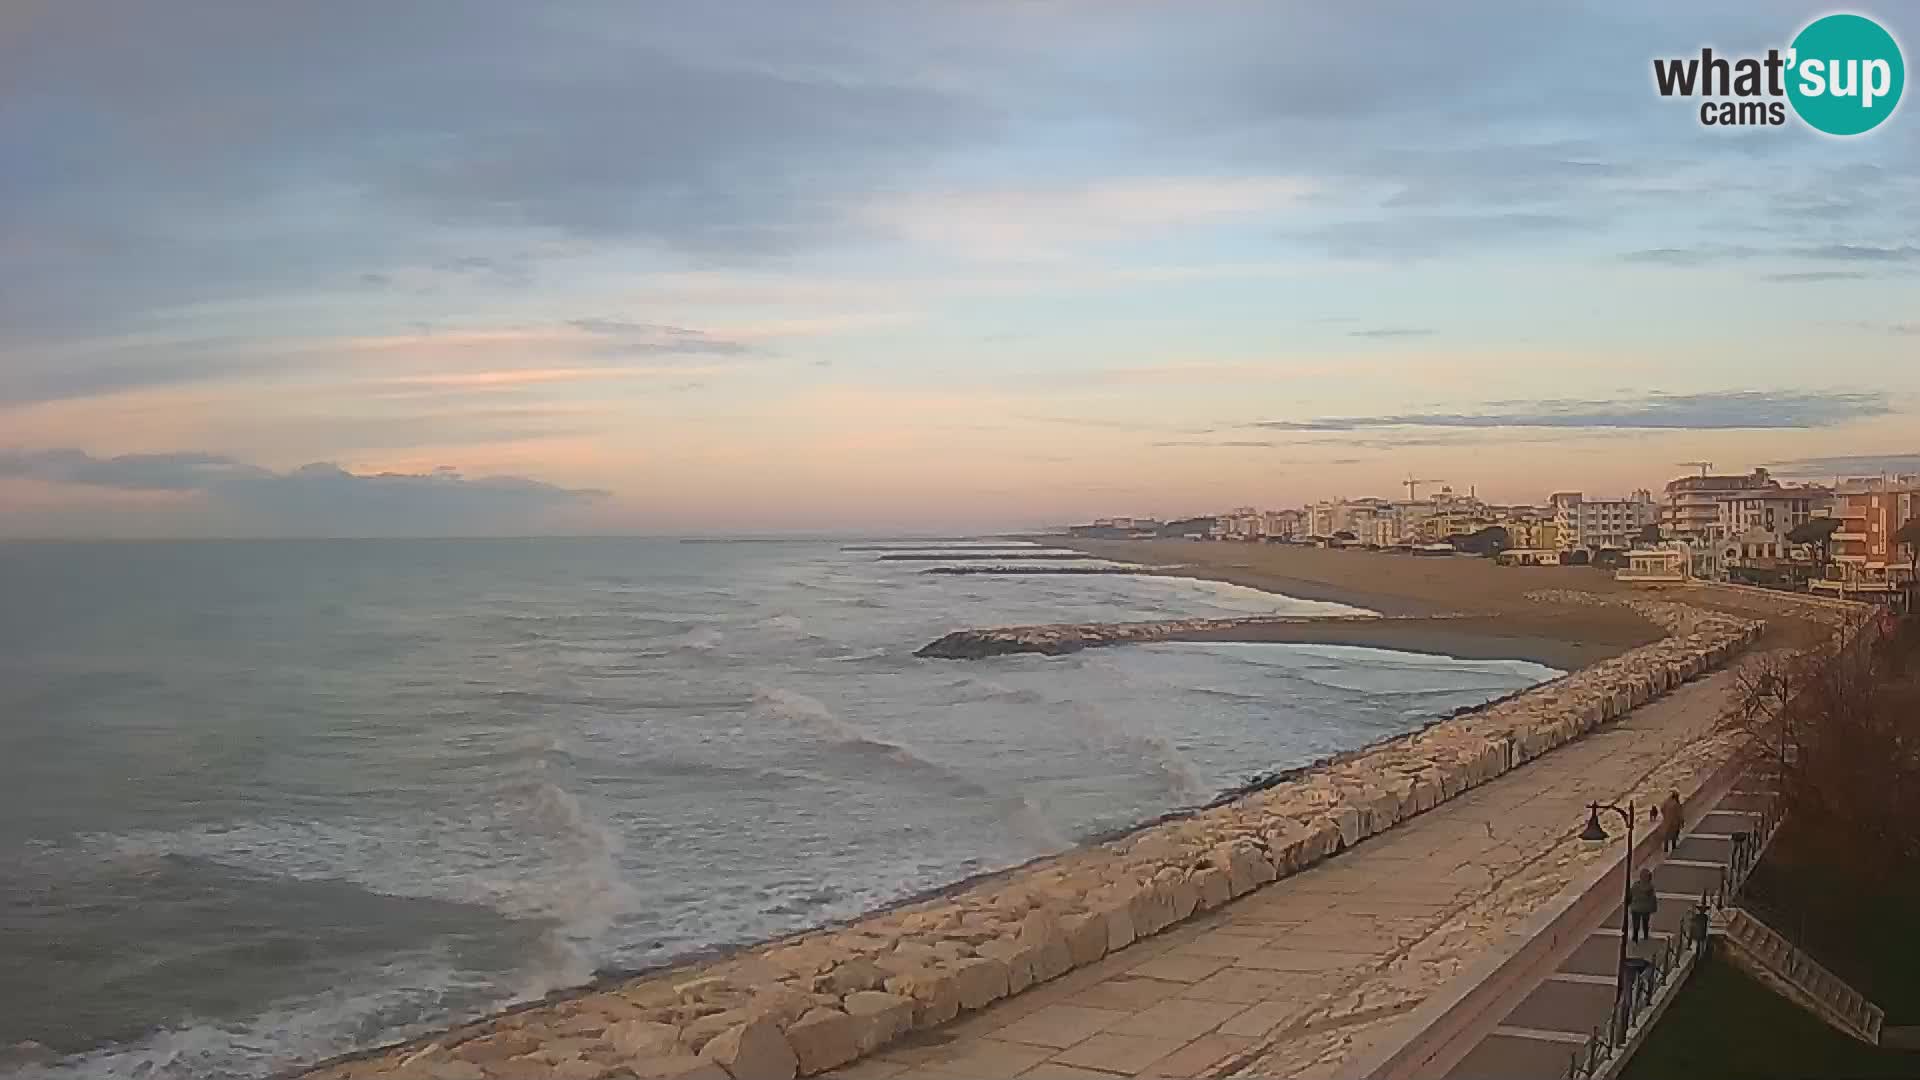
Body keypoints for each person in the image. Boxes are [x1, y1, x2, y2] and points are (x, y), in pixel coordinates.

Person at [1628, 868, 1658, 942]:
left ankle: (1635, 937)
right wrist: (1654, 907)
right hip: (1645, 908)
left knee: (1636, 923)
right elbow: (1652, 898)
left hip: (1636, 907)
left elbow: (1630, 895)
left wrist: (1629, 903)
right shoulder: (1650, 887)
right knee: (1645, 922)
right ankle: (1645, 936)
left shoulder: (1635, 885)